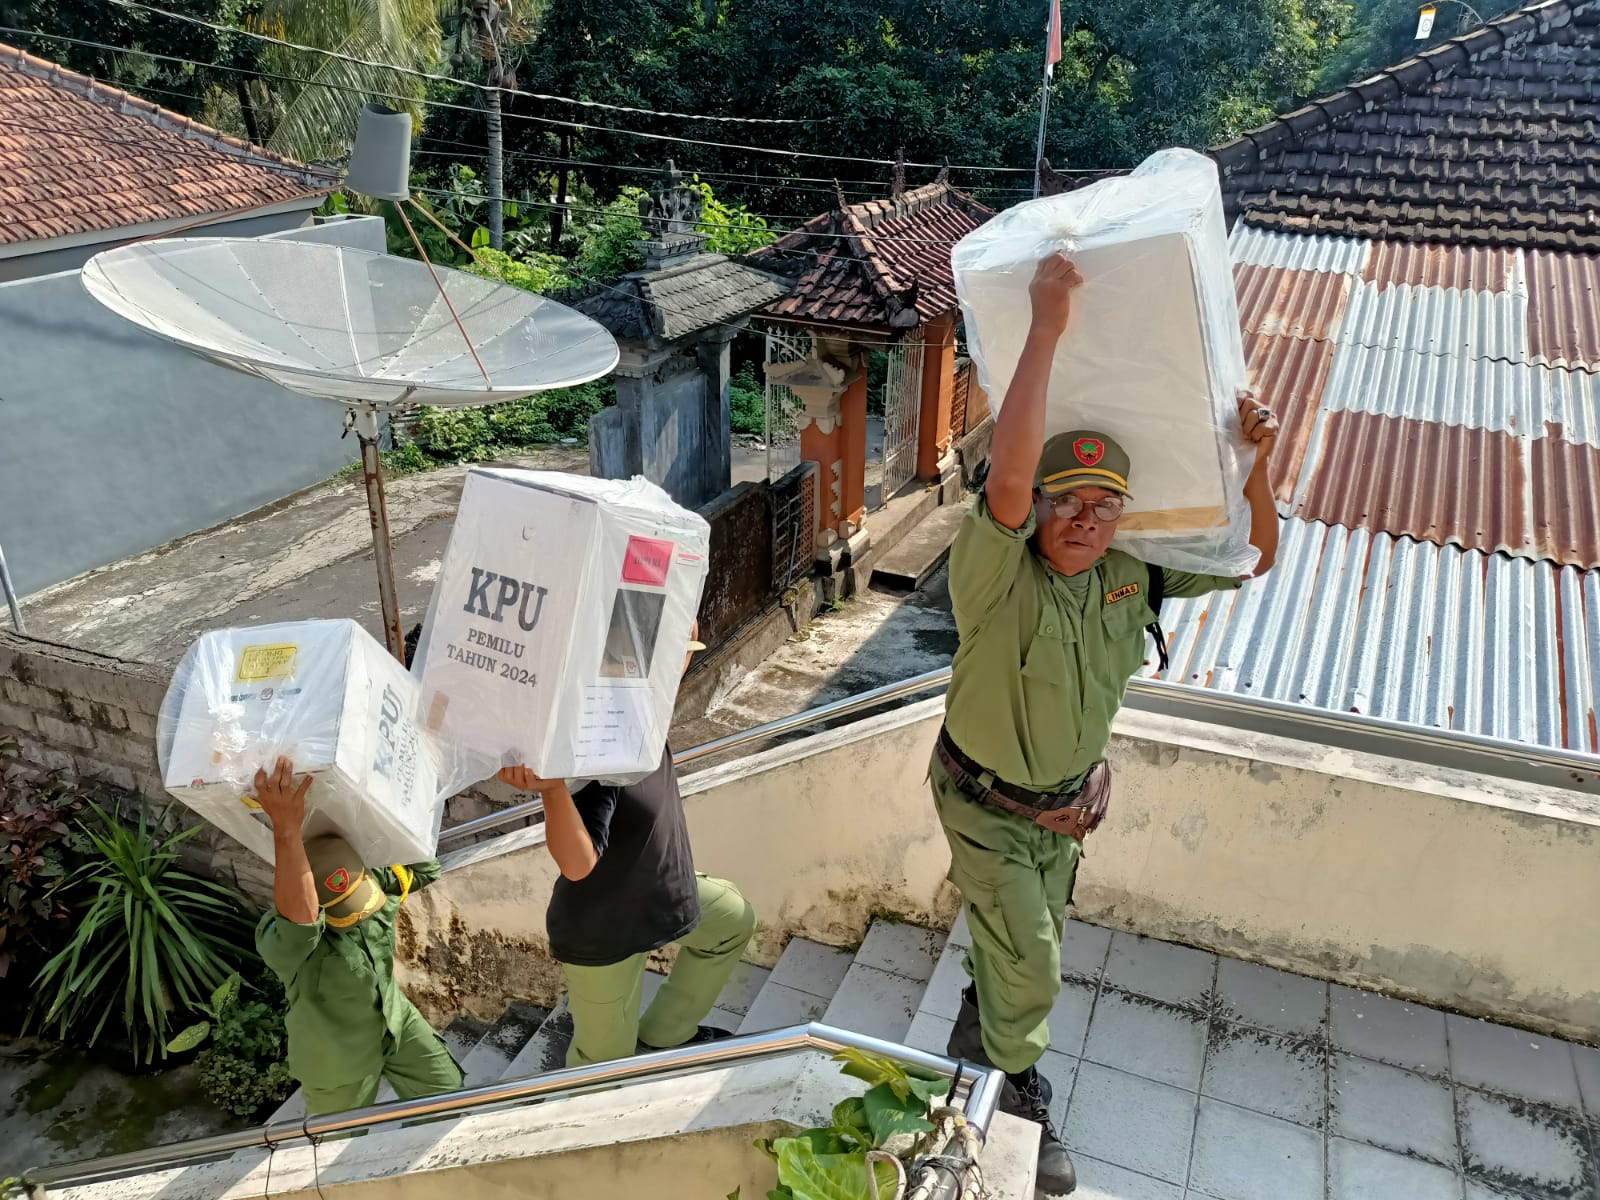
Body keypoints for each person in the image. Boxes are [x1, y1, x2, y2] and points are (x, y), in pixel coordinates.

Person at [934, 253, 1279, 1197]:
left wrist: (1258, 467)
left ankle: (981, 1029)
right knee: (1036, 965)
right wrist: (1046, 327)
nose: (1084, 518)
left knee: (1029, 937)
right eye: (1065, 501)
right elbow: (1007, 473)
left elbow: (1255, 559)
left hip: (1066, 809)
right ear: (1035, 508)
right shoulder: (996, 578)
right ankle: (1012, 1096)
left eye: (1105, 504)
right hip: (985, 804)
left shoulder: (1136, 576)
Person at [497, 624, 757, 1066]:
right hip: (603, 931)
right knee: (602, 1062)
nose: (675, 669)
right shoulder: (597, 750)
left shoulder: (643, 712)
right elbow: (578, 865)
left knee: (733, 923)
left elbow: (668, 669)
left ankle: (665, 1036)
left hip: (663, 893)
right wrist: (554, 791)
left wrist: (675, 622)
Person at [250, 756, 464, 1114]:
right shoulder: (288, 943)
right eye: (341, 911)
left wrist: (374, 792)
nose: (357, 914)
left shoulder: (374, 883)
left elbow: (426, 866)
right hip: (337, 1056)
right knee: (339, 1145)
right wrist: (286, 829)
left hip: (395, 1023)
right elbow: (299, 918)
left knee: (447, 1093)